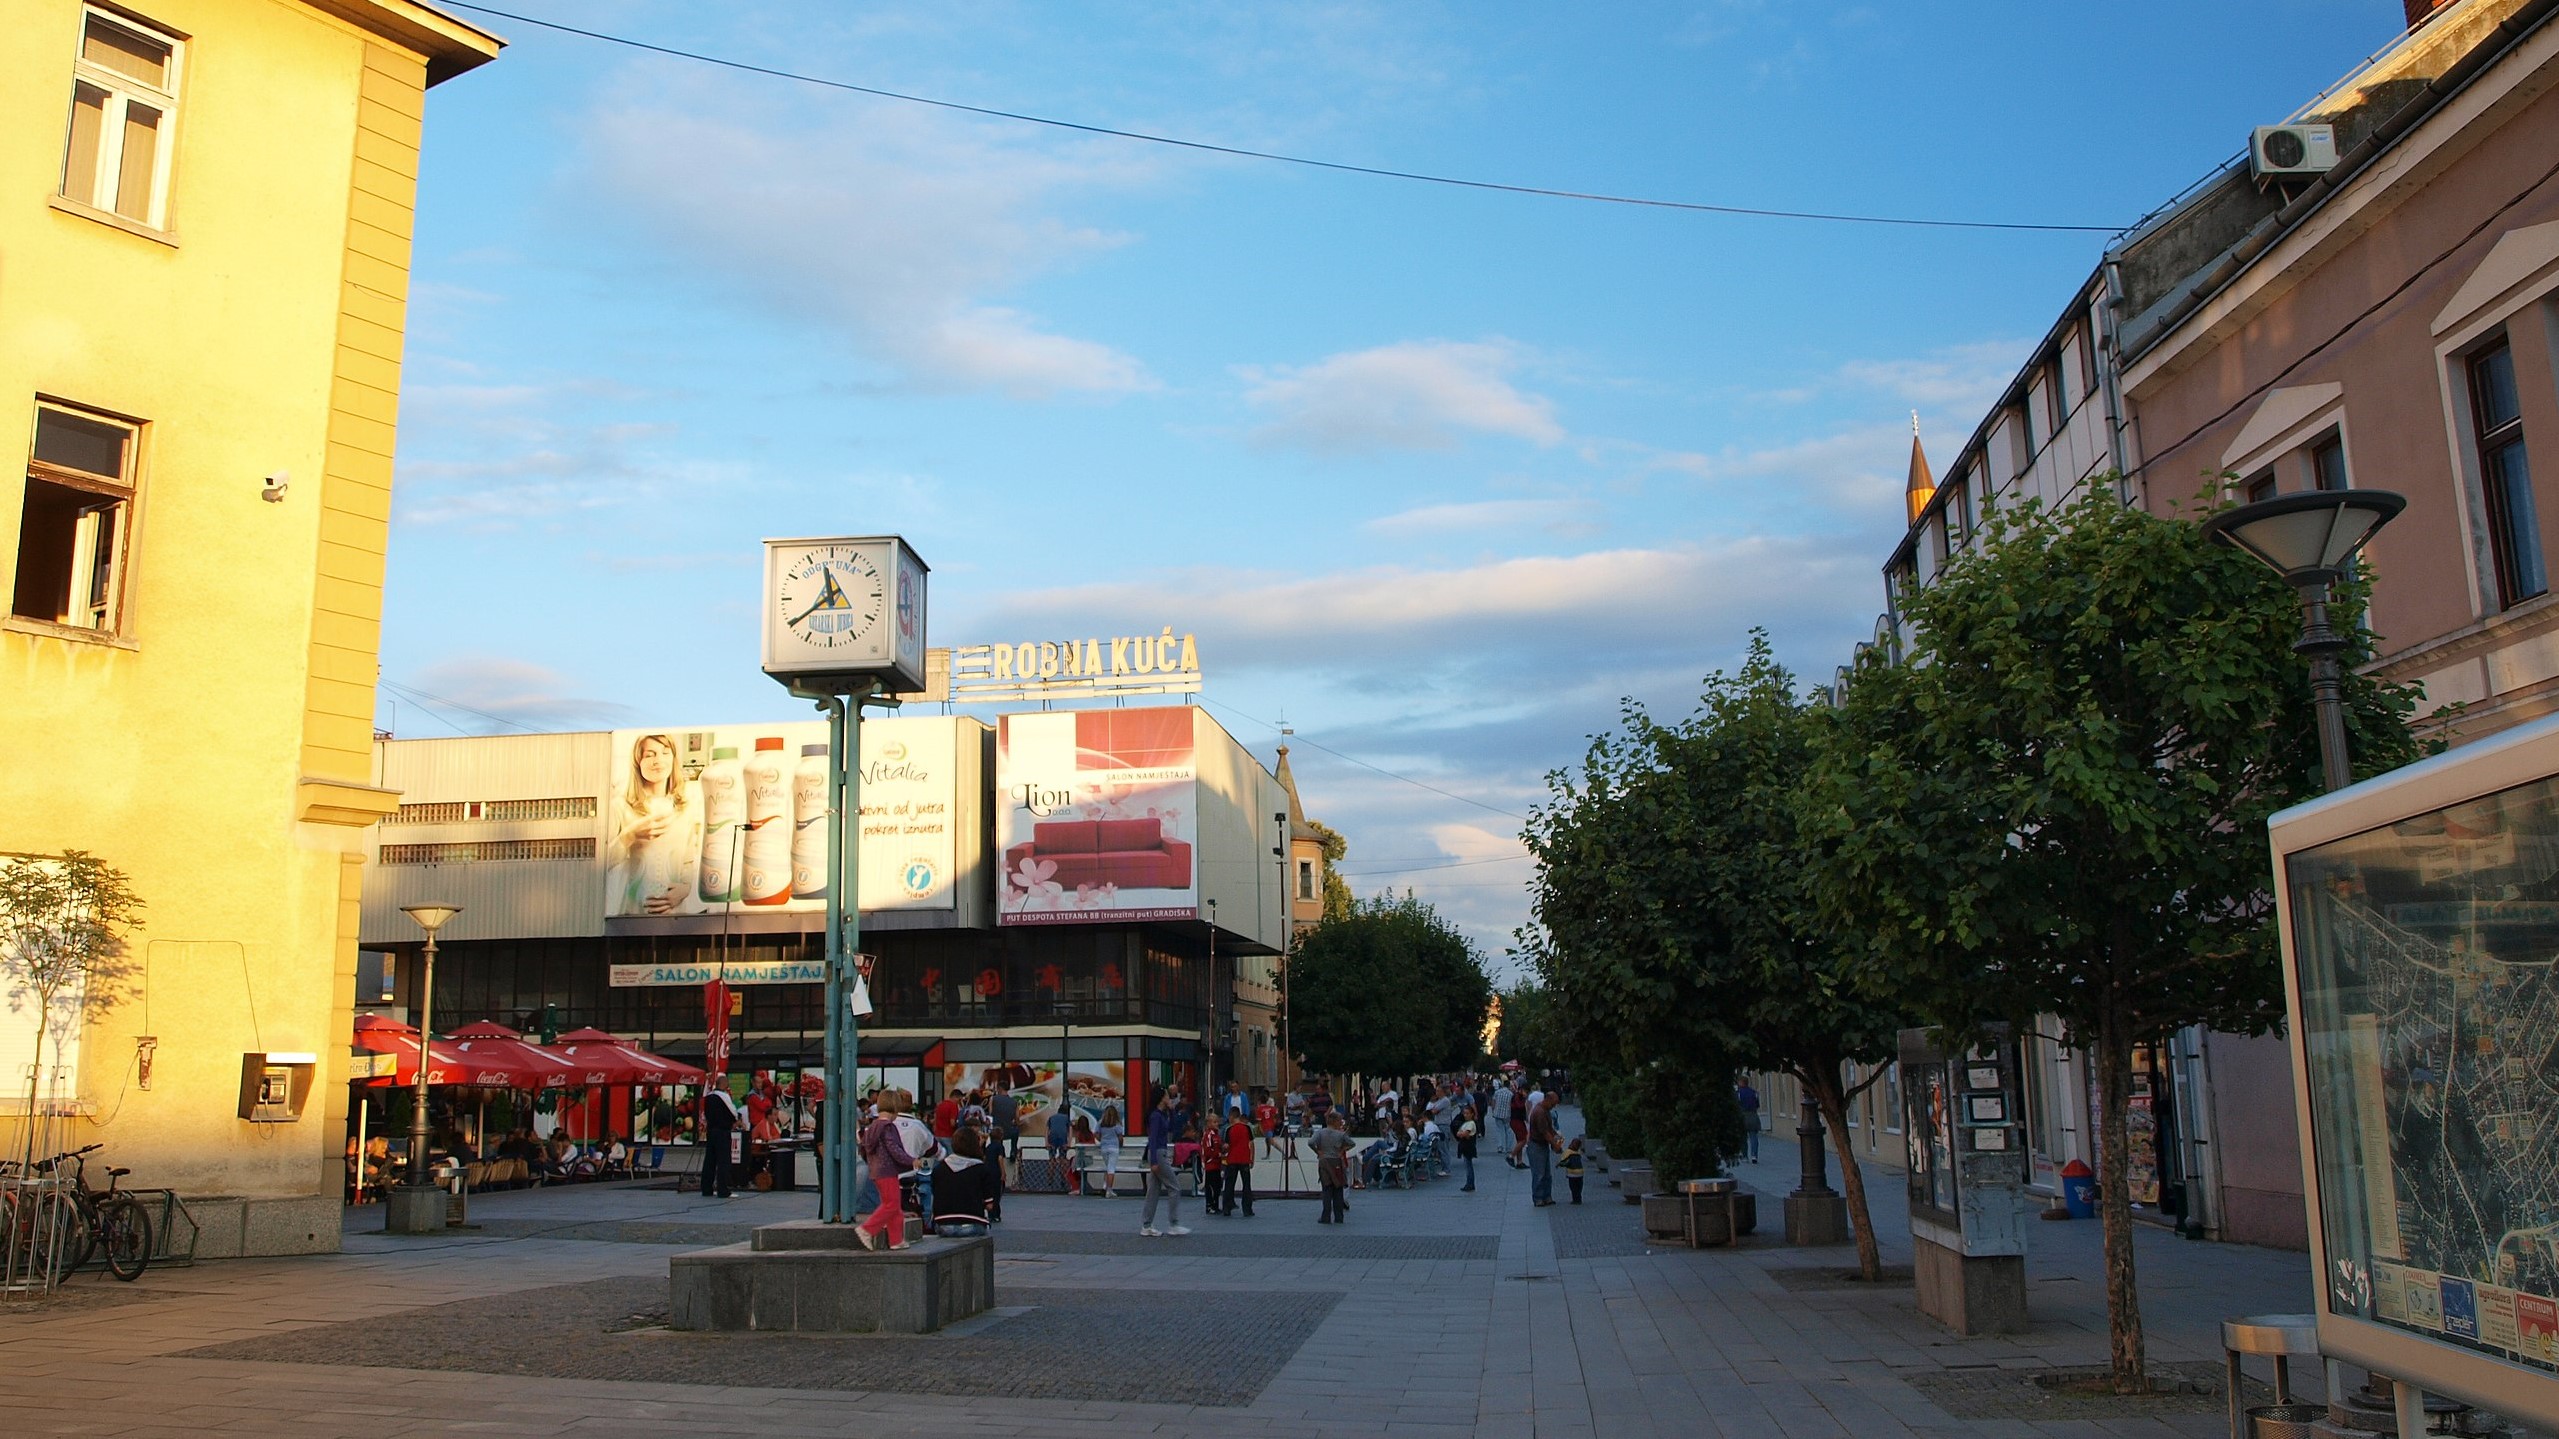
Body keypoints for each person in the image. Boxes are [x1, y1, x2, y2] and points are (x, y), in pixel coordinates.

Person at [612, 733, 695, 916]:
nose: (658, 760)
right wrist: (630, 835)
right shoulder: (621, 805)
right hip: (634, 912)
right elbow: (604, 860)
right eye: (649, 755)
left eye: (665, 753)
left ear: (673, 759)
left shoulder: (685, 807)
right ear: (637, 761)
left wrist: (685, 889)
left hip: (676, 915)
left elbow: (689, 858)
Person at [855, 1092, 917, 1250]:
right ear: (896, 1108)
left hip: (876, 1170)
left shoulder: (873, 1127)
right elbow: (894, 1149)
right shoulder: (887, 1127)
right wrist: (911, 1161)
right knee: (891, 1205)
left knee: (894, 1206)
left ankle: (896, 1240)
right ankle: (867, 1229)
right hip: (887, 1170)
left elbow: (863, 1148)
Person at [1140, 1089, 1190, 1237]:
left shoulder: (1160, 1114)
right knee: (1174, 1187)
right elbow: (1153, 1138)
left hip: (1159, 1152)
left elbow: (1172, 1128)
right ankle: (1173, 1223)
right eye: (1167, 1096)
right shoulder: (1156, 1116)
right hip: (1158, 1153)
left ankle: (1147, 1224)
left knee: (1153, 1191)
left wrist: (1172, 1111)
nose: (1170, 1098)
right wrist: (1154, 1161)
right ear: (1162, 1098)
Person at [931, 1127, 1001, 1234]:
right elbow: (989, 1205)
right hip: (972, 1221)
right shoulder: (981, 1169)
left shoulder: (939, 1169)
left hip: (943, 1223)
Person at [895, 1093, 940, 1233]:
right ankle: (926, 1219)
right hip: (912, 1171)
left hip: (890, 1175)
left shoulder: (886, 1124)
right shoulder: (917, 1125)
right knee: (926, 1180)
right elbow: (933, 1149)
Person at [700, 1083, 740, 1199]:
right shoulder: (723, 1096)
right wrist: (735, 1120)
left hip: (711, 1131)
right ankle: (723, 1190)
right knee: (723, 1161)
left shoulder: (708, 1097)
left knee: (709, 1160)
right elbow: (733, 1112)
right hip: (723, 1132)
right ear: (724, 1085)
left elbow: (706, 1114)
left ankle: (706, 1189)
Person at [1312, 1111, 1353, 1223]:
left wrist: (1318, 1151)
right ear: (1334, 1121)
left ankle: (1326, 1216)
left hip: (1324, 1161)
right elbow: (1351, 1143)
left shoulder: (1320, 1133)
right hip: (1336, 1162)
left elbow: (1311, 1142)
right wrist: (1342, 1150)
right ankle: (1339, 1216)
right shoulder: (1340, 1134)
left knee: (1326, 1189)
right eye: (1340, 1121)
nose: (1341, 1123)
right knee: (1338, 1189)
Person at [1525, 1087, 1561, 1207]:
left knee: (1546, 1173)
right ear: (1548, 1100)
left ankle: (1546, 1196)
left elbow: (1549, 1129)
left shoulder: (1544, 1110)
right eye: (1553, 1103)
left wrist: (1556, 1136)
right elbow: (1544, 1132)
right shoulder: (1539, 1112)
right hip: (1536, 1145)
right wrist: (1554, 1144)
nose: (1554, 1106)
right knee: (1539, 1173)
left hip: (1541, 1144)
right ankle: (1538, 1198)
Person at [1221, 1108, 1255, 1217]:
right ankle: (1247, 1209)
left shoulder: (1229, 1129)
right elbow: (1251, 1144)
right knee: (1246, 1185)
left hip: (1232, 1159)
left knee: (1229, 1184)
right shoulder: (1247, 1128)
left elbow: (1226, 1146)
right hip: (1244, 1159)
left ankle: (1227, 1208)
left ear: (1231, 1116)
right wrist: (1252, 1159)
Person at [1095, 1105, 1125, 1198]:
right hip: (1114, 1147)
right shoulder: (1117, 1124)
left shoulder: (1101, 1123)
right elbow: (1120, 1137)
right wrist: (1120, 1145)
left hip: (1104, 1147)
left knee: (1108, 1167)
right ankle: (1109, 1190)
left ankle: (1105, 1186)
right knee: (1111, 1169)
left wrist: (1102, 1139)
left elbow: (1096, 1134)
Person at [991, 1081, 1021, 1172]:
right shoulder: (1014, 1102)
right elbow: (1017, 1119)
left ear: (999, 1088)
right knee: (1016, 1131)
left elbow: (990, 1113)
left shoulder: (993, 1099)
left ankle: (1000, 1152)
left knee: (996, 1135)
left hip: (997, 1132)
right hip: (1009, 1131)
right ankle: (1013, 1151)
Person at [1196, 1116, 1223, 1217]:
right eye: (1214, 1122)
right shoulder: (1208, 1135)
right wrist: (1217, 1154)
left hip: (1217, 1164)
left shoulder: (1216, 1135)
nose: (1217, 1124)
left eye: (1217, 1122)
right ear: (1208, 1124)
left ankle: (1215, 1205)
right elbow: (1207, 1149)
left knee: (1217, 1186)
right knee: (1211, 1186)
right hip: (1210, 1164)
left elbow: (1218, 1147)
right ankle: (1209, 1205)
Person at [1046, 1100, 1074, 1192]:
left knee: (1052, 1159)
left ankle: (1050, 1180)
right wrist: (1069, 1143)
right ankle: (1063, 1180)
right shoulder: (1066, 1118)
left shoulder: (1051, 1117)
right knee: (1062, 1159)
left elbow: (1047, 1130)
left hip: (1052, 1137)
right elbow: (1070, 1130)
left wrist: (1046, 1142)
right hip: (1062, 1138)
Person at [1455, 1104, 1479, 1192]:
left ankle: (1470, 1183)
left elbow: (1465, 1134)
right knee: (1467, 1165)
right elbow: (1459, 1133)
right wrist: (1462, 1134)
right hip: (1465, 1146)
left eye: (1468, 1113)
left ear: (1472, 1114)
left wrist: (1462, 1134)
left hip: (1468, 1146)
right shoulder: (1465, 1123)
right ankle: (1469, 1183)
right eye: (1464, 1113)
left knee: (1468, 1166)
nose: (1465, 1115)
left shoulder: (1471, 1123)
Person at [1736, 1079, 1762, 1163]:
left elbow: (1736, 1104)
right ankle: (1754, 1156)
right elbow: (1757, 1105)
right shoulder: (1754, 1093)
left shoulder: (1738, 1093)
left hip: (1742, 1115)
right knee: (1753, 1136)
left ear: (1741, 1083)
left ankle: (1745, 1156)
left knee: (1743, 1136)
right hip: (1753, 1115)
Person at [1562, 1136, 1587, 1204]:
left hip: (1572, 1173)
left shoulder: (1568, 1152)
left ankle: (1575, 1199)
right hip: (1580, 1173)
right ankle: (1579, 1198)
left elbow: (1564, 1161)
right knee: (1579, 1187)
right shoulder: (1578, 1153)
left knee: (1573, 1187)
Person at [1256, 1095, 1282, 1159]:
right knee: (1267, 1141)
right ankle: (1268, 1155)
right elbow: (1276, 1111)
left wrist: (1261, 1130)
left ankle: (1283, 1152)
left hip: (1266, 1126)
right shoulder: (1270, 1107)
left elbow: (1259, 1122)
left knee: (1271, 1141)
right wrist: (1275, 1120)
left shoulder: (1259, 1109)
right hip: (1271, 1125)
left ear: (1259, 1102)